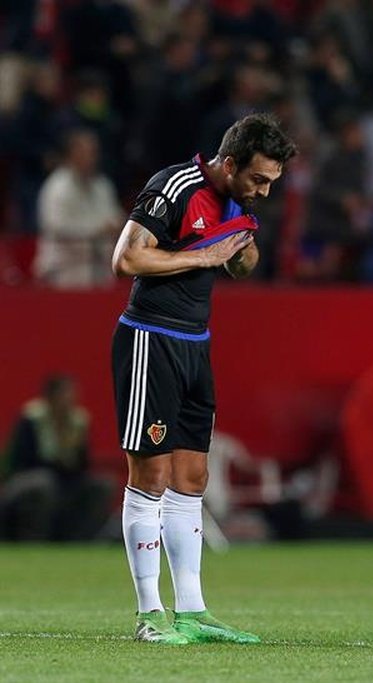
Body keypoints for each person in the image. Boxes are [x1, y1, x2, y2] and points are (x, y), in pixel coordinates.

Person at [110, 113, 296, 644]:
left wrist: (242, 245)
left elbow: (238, 266)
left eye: (271, 183)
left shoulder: (241, 202)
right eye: (258, 179)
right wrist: (204, 253)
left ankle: (191, 612)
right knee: (151, 479)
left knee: (191, 481)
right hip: (151, 338)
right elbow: (126, 258)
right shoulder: (175, 186)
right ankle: (150, 616)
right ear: (230, 163)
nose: (263, 190)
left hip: (196, 343)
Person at [1, 375, 111, 541]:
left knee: (103, 484)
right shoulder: (31, 419)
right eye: (64, 395)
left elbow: (83, 462)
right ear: (50, 397)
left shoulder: (77, 422)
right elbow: (21, 459)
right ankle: (34, 539)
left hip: (66, 480)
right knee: (43, 482)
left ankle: (81, 540)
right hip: (29, 478)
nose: (68, 400)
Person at [34, 128, 122, 288]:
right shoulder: (56, 186)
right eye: (87, 152)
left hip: (99, 268)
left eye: (94, 152)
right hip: (64, 271)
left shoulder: (102, 185)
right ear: (72, 154)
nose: (92, 158)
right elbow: (56, 226)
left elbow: (115, 217)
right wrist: (98, 229)